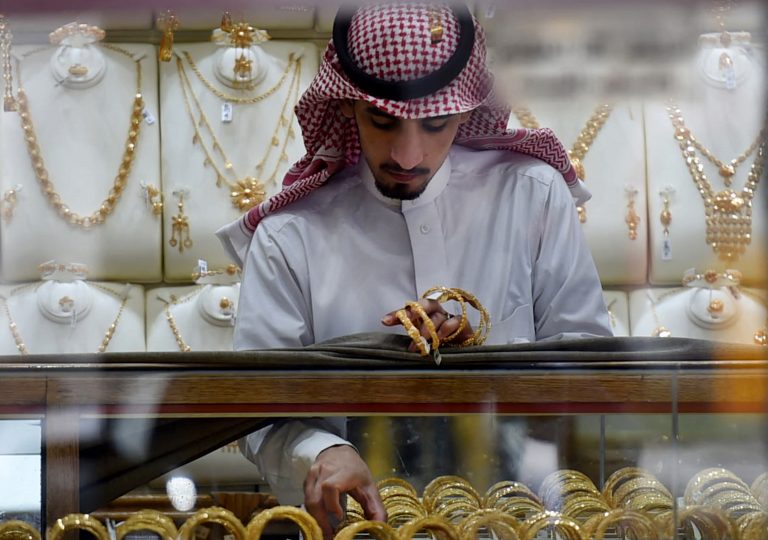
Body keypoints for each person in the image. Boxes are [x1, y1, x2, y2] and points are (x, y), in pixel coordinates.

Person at [217, 3, 612, 538]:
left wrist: (488, 363)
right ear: (347, 108)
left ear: (467, 112)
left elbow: (593, 371)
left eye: (435, 124)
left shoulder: (532, 196)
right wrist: (322, 451)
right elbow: (260, 413)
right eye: (383, 123)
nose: (408, 155)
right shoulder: (290, 237)